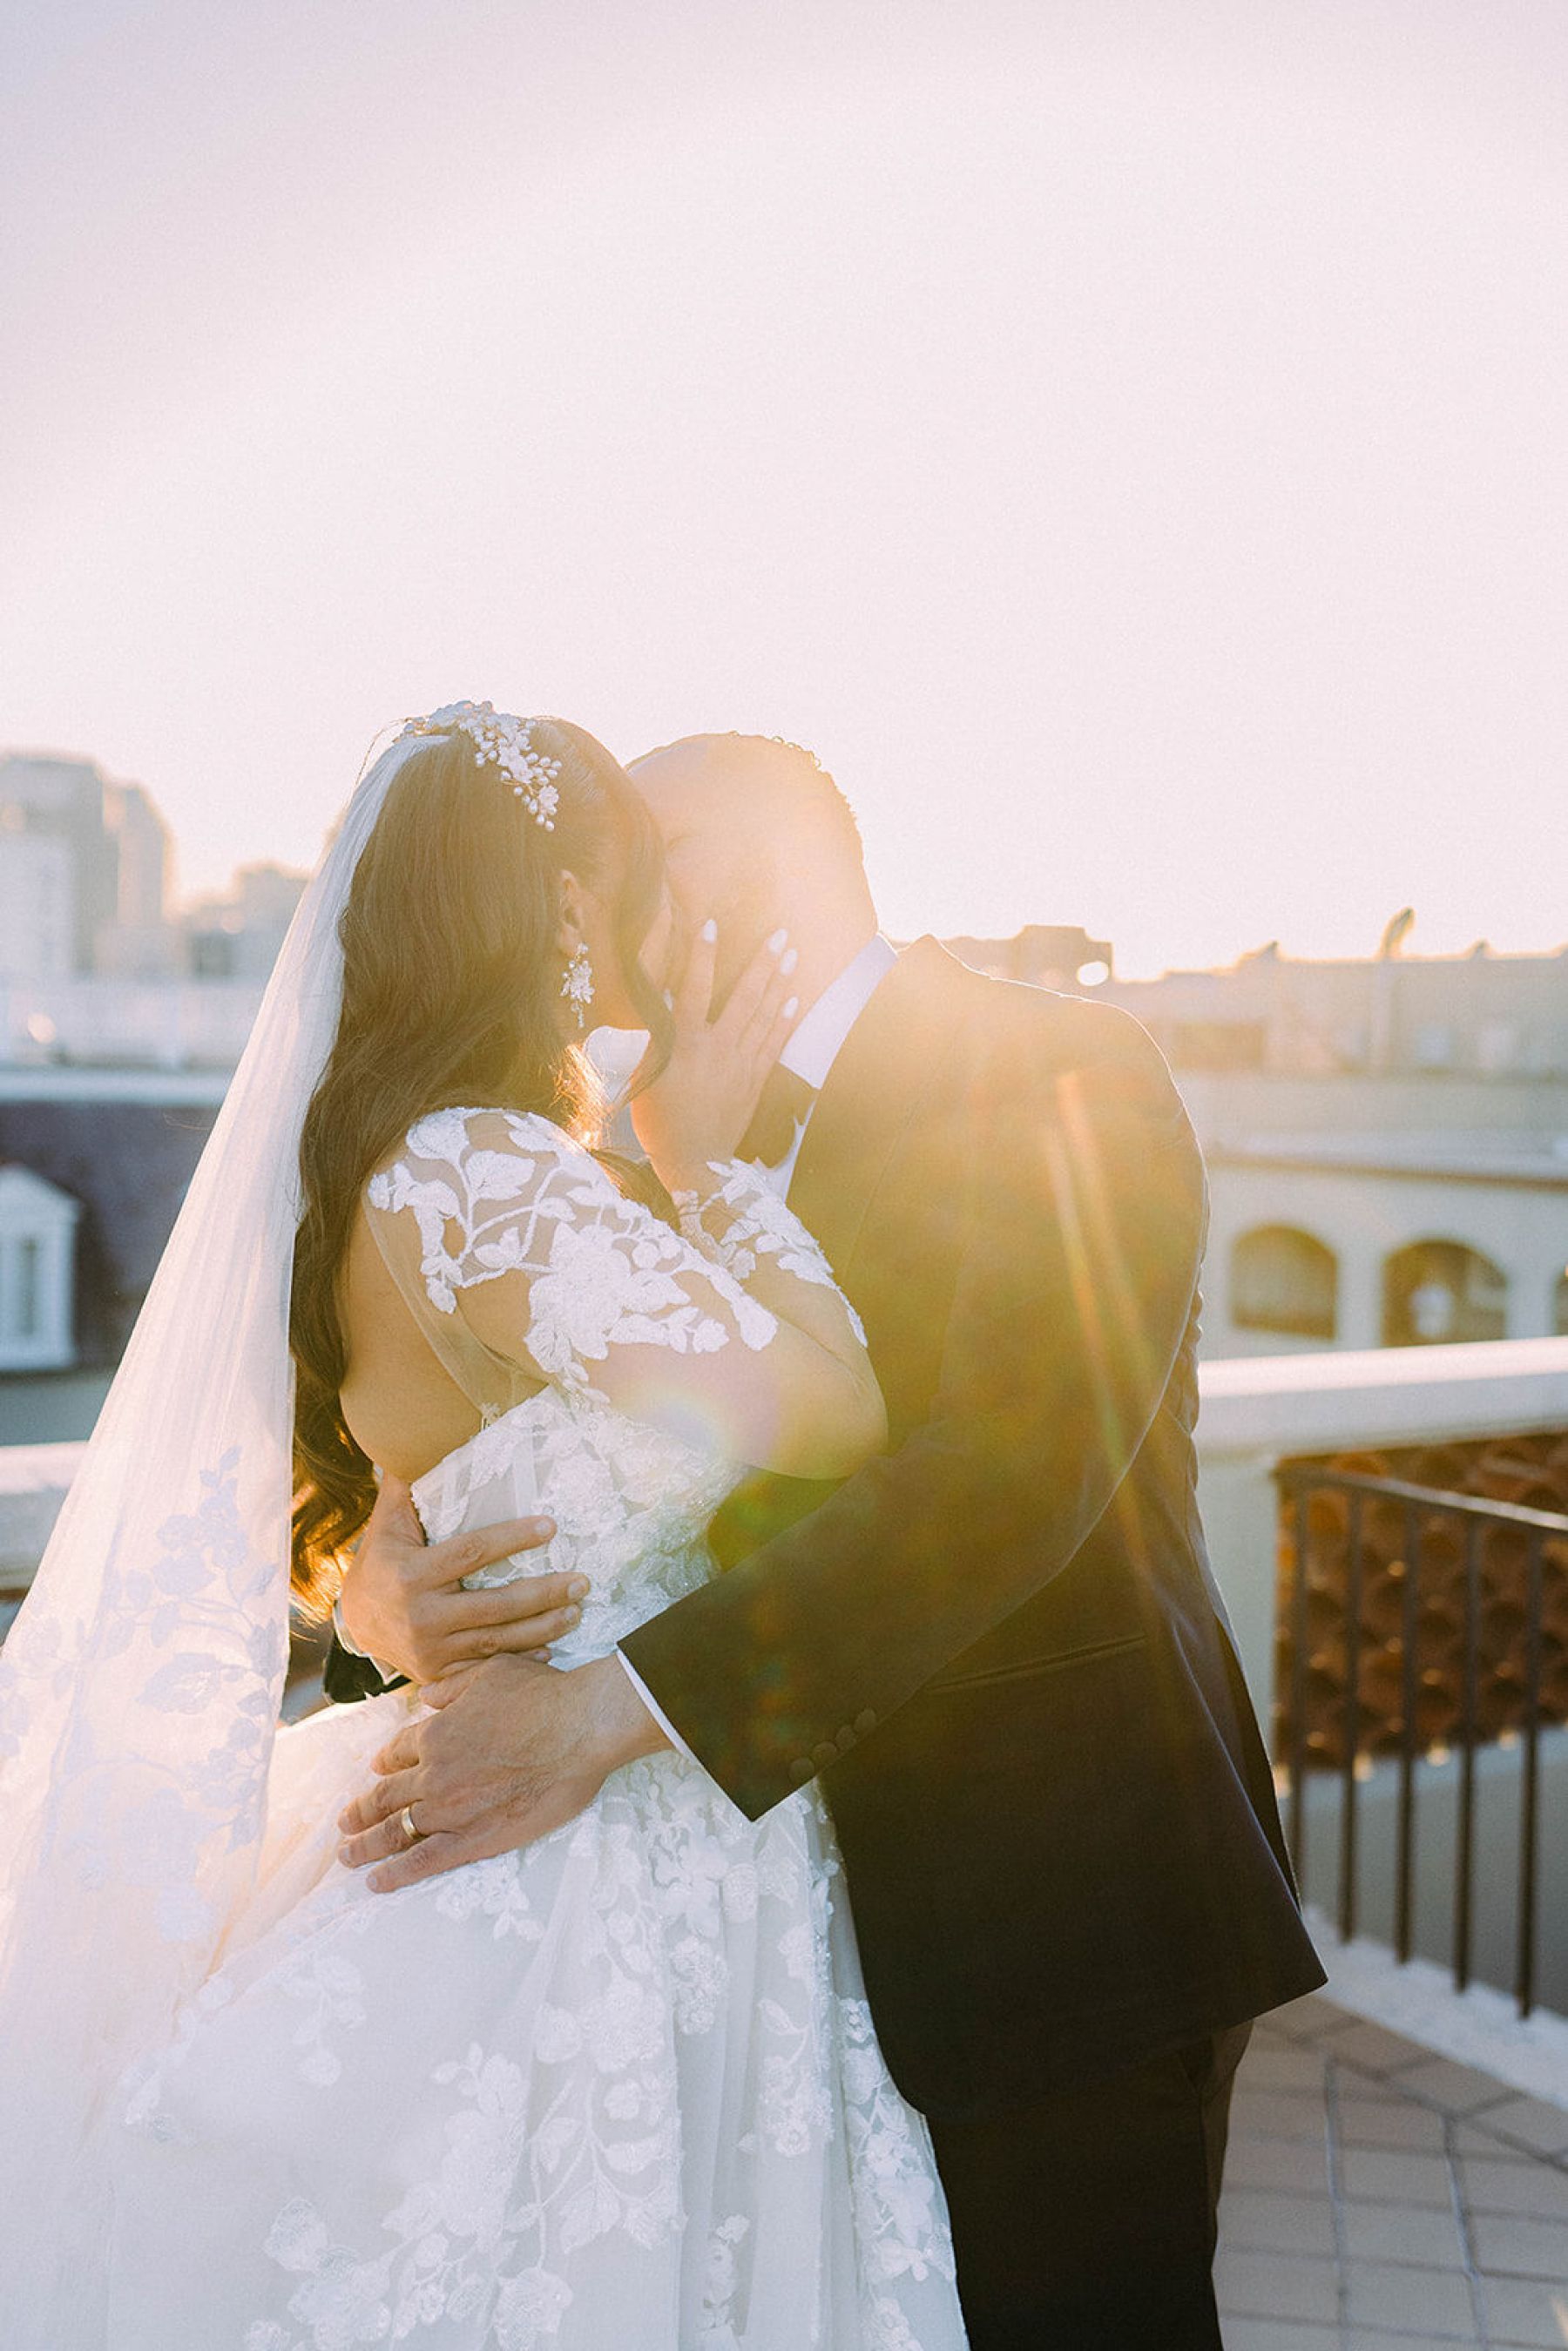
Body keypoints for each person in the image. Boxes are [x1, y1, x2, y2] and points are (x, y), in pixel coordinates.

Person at [330, 732, 1328, 2349]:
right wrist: (372, 1596)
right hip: (740, 1961)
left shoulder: (1063, 1069)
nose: (587, 909)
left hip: (1049, 1910)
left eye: (629, 869)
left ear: (731, 886)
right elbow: (524, 1447)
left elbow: (1011, 1475)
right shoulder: (604, 1149)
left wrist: (604, 1715)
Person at [0, 706, 968, 2350]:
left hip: (560, 1788)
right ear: (568, 905)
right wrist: (712, 1170)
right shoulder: (492, 1171)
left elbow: (391, 1484)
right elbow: (831, 1412)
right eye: (633, 876)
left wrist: (367, 1585)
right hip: (603, 1850)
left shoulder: (384, 1161)